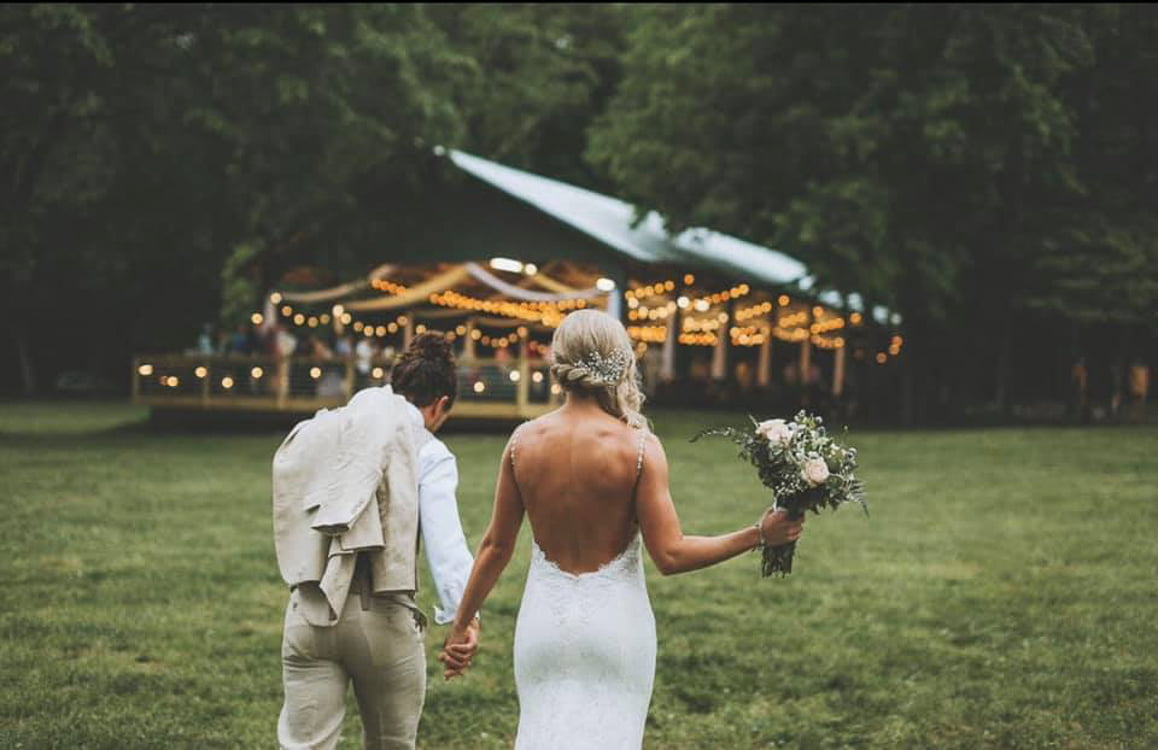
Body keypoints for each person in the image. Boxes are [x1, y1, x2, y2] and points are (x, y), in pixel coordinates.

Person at [439, 309, 804, 749]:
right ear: (619, 362)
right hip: (617, 627)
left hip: (543, 628)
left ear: (560, 362)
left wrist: (462, 626)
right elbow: (671, 555)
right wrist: (758, 533)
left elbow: (496, 548)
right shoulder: (639, 448)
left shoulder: (523, 442)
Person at [273, 333, 480, 750]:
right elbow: (446, 546)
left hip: (309, 609)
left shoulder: (325, 430)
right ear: (440, 405)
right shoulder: (429, 449)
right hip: (383, 618)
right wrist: (464, 620)